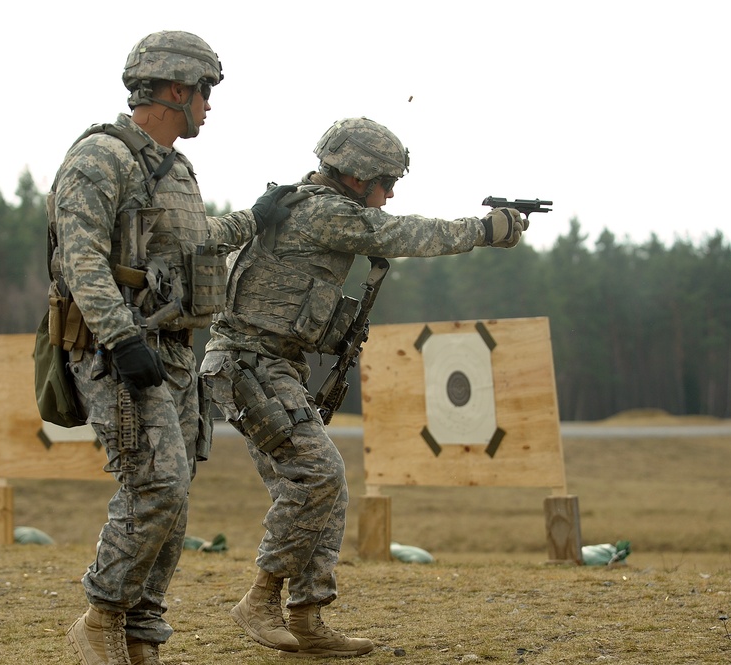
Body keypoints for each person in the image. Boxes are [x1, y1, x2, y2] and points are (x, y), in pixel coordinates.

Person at [199, 116, 527, 658]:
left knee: (321, 485)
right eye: (386, 180)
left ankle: (307, 617)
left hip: (266, 366)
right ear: (357, 176)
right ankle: (261, 600)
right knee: (317, 475)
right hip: (249, 365)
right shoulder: (324, 211)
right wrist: (485, 230)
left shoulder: (304, 204)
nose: (391, 192)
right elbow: (403, 234)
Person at [49, 31, 293, 665]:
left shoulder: (173, 166)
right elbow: (82, 260)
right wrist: (123, 338)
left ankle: (141, 633)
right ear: (177, 90)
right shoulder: (100, 158)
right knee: (155, 484)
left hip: (176, 352)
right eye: (206, 92)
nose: (210, 106)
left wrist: (256, 218)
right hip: (121, 353)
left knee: (175, 494)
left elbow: (198, 241)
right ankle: (100, 619)